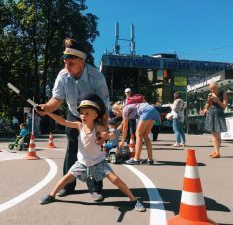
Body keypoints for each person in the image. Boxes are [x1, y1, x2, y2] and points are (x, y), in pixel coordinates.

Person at [39, 99, 146, 212]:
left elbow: (112, 135)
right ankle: (51, 195)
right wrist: (48, 112)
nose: (83, 116)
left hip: (98, 162)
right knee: (66, 179)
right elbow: (63, 121)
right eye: (81, 113)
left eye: (87, 113)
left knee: (115, 180)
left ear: (95, 115)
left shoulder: (98, 127)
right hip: (81, 163)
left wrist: (107, 136)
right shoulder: (79, 125)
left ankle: (134, 200)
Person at [38, 38, 110, 201]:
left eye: (70, 63)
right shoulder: (63, 75)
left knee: (92, 152)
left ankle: (95, 188)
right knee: (72, 149)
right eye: (65, 62)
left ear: (82, 61)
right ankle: (68, 186)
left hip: (93, 117)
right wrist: (47, 108)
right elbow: (57, 99)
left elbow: (104, 107)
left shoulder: (97, 78)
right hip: (74, 113)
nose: (66, 67)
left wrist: (103, 129)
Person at [113, 100, 160, 165]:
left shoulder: (124, 110)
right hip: (153, 110)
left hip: (146, 111)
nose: (115, 115)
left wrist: (122, 141)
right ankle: (150, 159)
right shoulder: (127, 108)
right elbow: (122, 125)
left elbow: (125, 128)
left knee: (138, 134)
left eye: (115, 113)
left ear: (118, 109)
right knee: (145, 135)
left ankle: (136, 159)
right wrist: (114, 132)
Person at [201, 82, 227, 158]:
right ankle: (216, 151)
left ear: (217, 87)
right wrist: (205, 109)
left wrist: (217, 100)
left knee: (217, 134)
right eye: (211, 88)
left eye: (213, 88)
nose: (212, 90)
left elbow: (224, 106)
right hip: (211, 114)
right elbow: (207, 105)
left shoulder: (223, 93)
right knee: (213, 134)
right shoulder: (210, 95)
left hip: (218, 114)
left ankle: (217, 152)